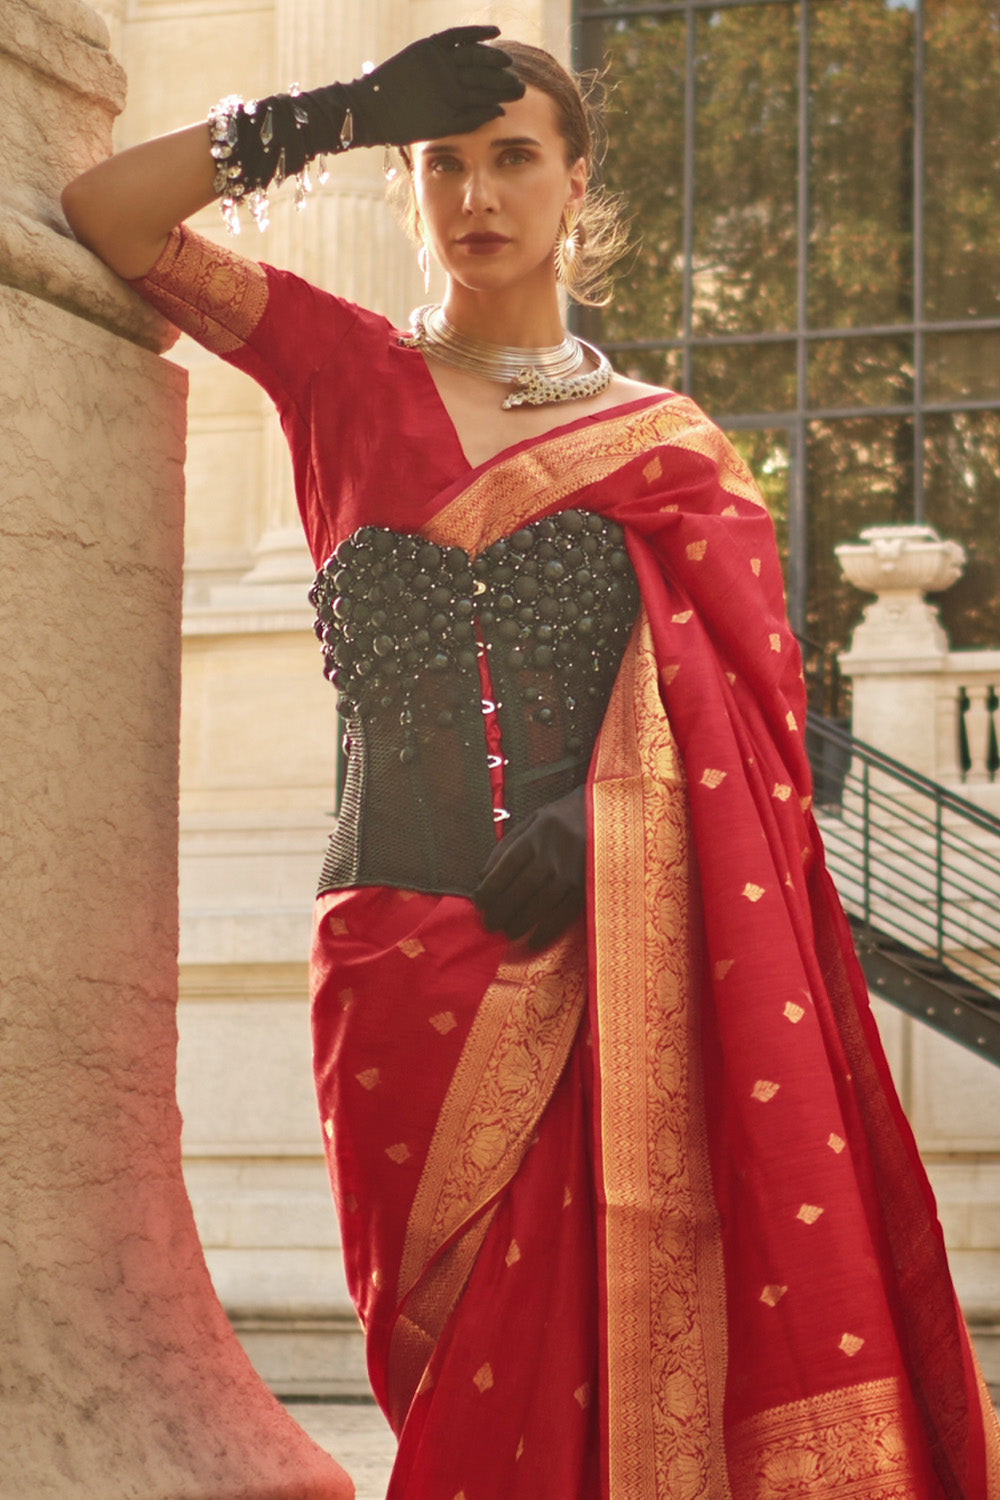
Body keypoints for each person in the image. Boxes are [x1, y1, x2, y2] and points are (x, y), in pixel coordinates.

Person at [62, 27, 1000, 1499]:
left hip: (598, 947)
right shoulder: (340, 368)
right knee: (450, 1358)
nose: (476, 194)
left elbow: (749, 741)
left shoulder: (670, 450)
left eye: (512, 159)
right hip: (396, 952)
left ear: (578, 187)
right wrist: (336, 111)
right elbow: (109, 219)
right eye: (442, 162)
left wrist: (606, 820)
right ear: (412, 186)